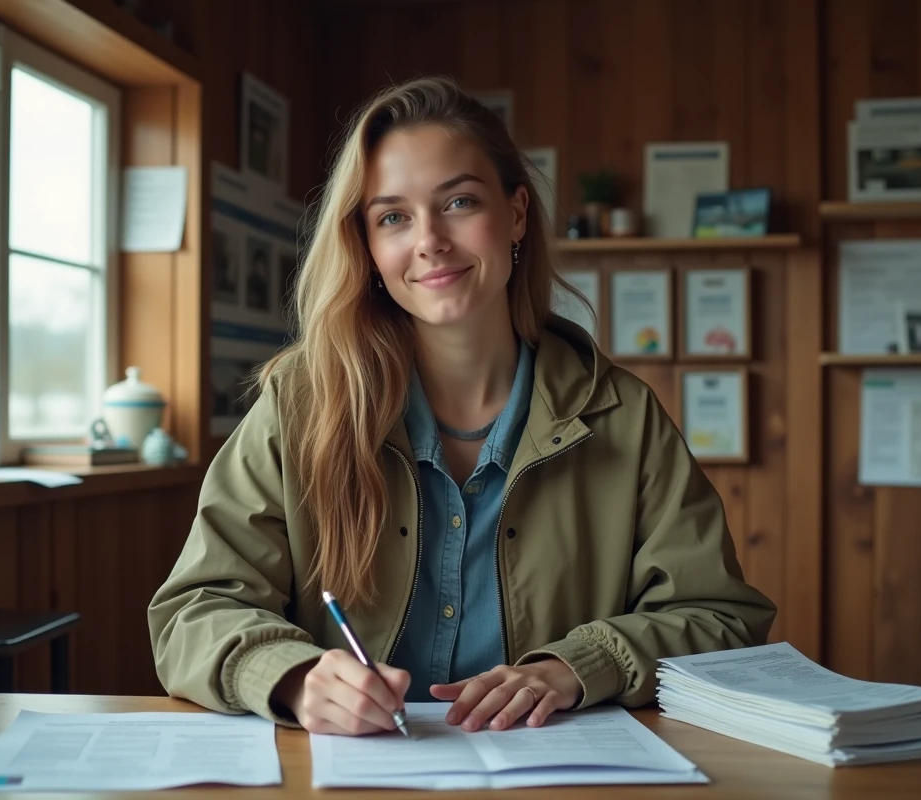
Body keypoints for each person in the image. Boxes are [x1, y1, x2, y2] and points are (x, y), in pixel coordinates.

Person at [148, 76, 776, 737]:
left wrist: (578, 665)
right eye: (393, 216)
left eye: (459, 202)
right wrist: (293, 677)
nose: (430, 241)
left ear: (518, 214)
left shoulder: (623, 415)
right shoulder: (300, 404)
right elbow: (195, 611)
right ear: (367, 247)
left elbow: (721, 617)